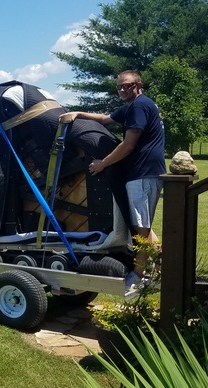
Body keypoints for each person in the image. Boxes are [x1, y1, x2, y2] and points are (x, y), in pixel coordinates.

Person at [60, 70, 166, 298]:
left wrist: (102, 163)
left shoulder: (139, 106)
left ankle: (138, 275)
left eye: (127, 86)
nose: (122, 90)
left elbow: (128, 145)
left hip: (144, 173)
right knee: (141, 225)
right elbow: (106, 119)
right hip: (141, 174)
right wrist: (79, 113)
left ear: (139, 85)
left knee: (141, 227)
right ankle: (160, 263)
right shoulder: (131, 107)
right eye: (119, 87)